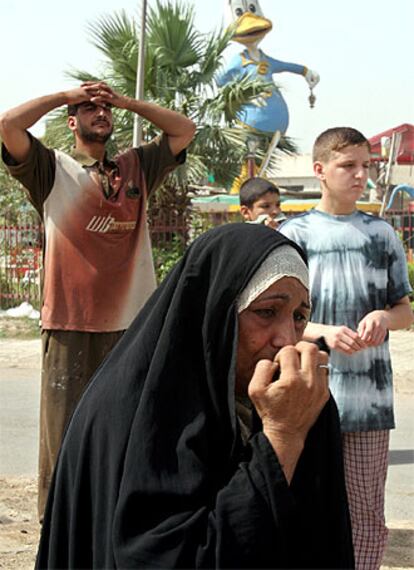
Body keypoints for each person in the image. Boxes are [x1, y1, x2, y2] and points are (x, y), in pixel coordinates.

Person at [35, 223, 354, 569]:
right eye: (266, 312)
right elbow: (171, 557)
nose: (286, 339)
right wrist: (282, 438)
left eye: (299, 317)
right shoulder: (130, 413)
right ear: (215, 312)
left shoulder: (297, 402)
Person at [0, 81, 196, 520]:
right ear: (72, 120)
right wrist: (65, 95)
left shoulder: (137, 167)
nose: (100, 113)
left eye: (105, 109)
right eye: (88, 109)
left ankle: (117, 521)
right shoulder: (50, 169)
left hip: (133, 326)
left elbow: (184, 129)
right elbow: (9, 124)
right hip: (70, 323)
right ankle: (58, 525)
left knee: (127, 427)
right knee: (63, 434)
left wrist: (126, 102)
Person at [279, 127, 413, 570]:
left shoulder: (382, 236)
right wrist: (321, 331)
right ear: (319, 170)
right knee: (300, 502)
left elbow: (403, 311)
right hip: (304, 394)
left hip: (369, 401)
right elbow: (271, 319)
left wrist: (383, 318)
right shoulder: (292, 235)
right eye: (348, 166)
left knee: (366, 513)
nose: (360, 176)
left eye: (366, 166)